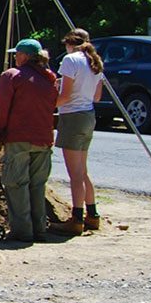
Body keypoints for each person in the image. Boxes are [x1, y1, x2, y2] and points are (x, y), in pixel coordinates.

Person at [0, 38, 59, 244]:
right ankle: (39, 230)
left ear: (25, 56)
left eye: (17, 54)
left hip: (19, 137)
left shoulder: (12, 76)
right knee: (37, 185)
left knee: (16, 184)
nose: (15, 57)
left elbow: (1, 107)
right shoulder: (49, 78)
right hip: (43, 138)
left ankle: (22, 232)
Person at [56, 28, 105, 231]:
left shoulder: (70, 60)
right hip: (88, 115)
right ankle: (92, 214)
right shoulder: (95, 62)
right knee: (82, 171)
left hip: (73, 116)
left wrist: (50, 104)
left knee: (74, 173)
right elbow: (97, 97)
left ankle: (76, 219)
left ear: (69, 43)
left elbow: (66, 95)